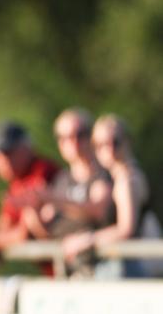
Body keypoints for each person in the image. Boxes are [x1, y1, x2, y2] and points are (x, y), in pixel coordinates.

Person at [63, 114, 163, 278]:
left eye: (115, 142)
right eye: (101, 144)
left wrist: (87, 240)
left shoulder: (127, 179)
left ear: (128, 142)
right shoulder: (118, 176)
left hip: (135, 268)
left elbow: (126, 229)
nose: (108, 149)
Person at [20, 108, 113, 277]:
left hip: (102, 271)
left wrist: (53, 199)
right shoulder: (62, 179)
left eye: (80, 134)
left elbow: (98, 211)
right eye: (65, 137)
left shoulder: (105, 174)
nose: (73, 142)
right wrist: (31, 211)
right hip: (71, 272)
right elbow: (48, 232)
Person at [0, 120, 58, 270]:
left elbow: (23, 234)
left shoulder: (42, 172)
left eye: (9, 152)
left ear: (27, 148)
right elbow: (3, 227)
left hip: (74, 272)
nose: (3, 161)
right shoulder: (17, 184)